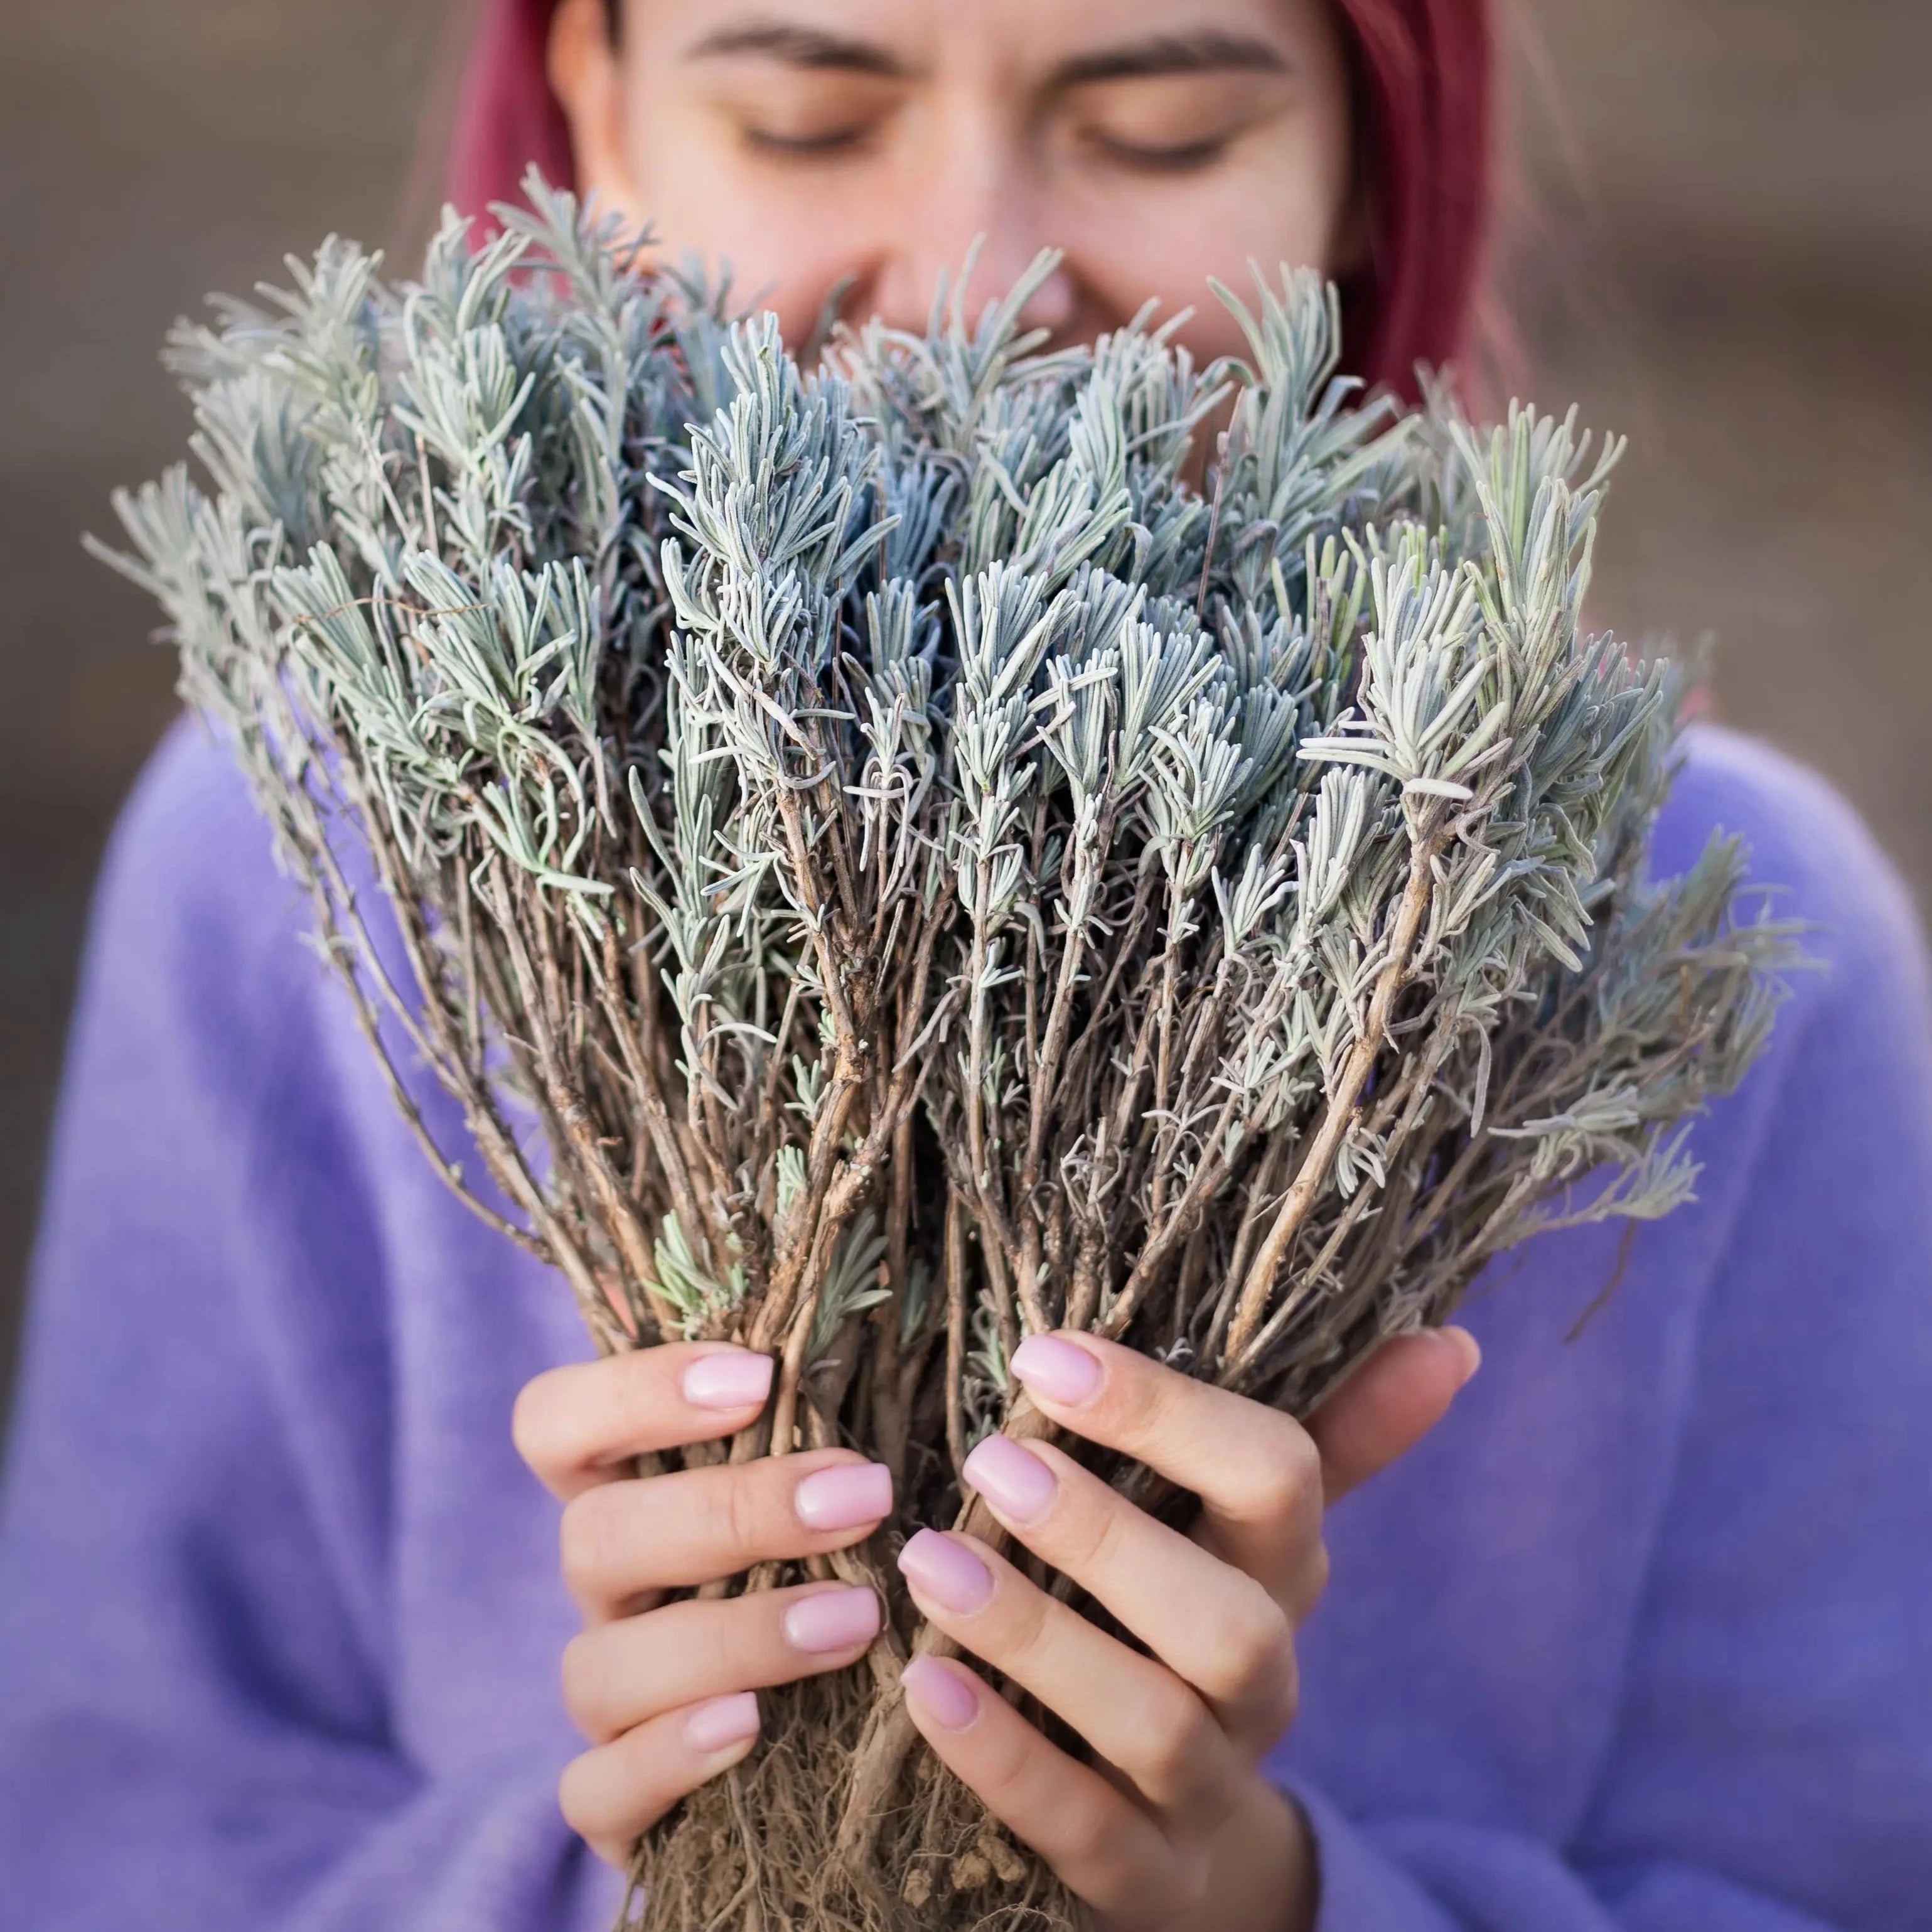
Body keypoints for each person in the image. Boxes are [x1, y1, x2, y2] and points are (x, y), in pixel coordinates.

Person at [3, 2, 1928, 1928]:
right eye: (807, 118)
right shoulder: (305, 852)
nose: (974, 285)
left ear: (1367, 166)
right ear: (598, 119)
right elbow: (108, 1850)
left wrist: (1260, 1906)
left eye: (1164, 132)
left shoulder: (1715, 940)